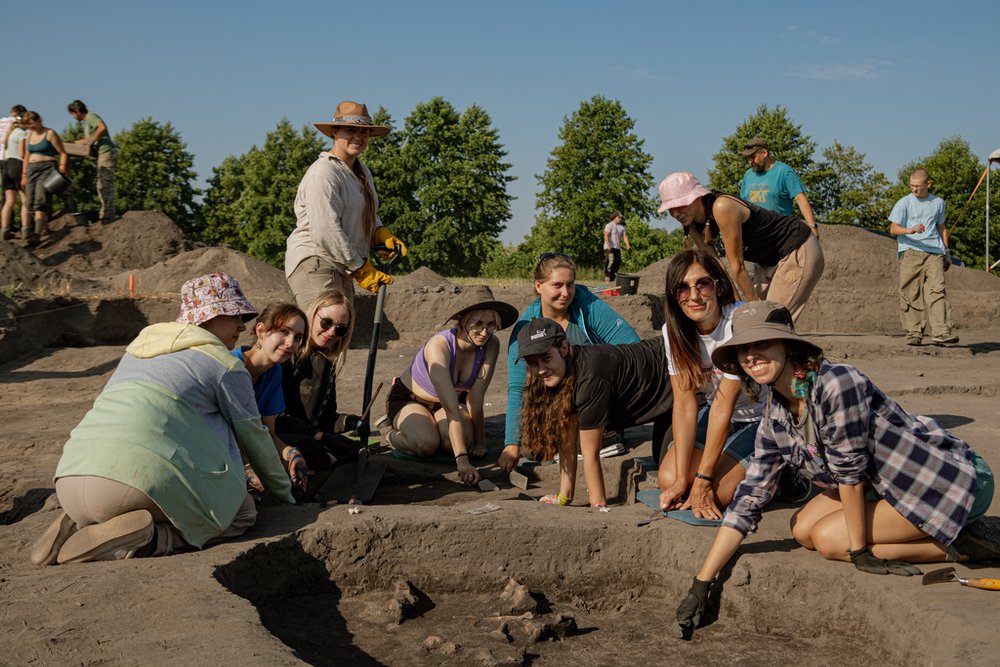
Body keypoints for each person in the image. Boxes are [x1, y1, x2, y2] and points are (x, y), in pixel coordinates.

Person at [673, 301, 998, 639]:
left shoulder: (836, 383)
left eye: (763, 344)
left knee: (830, 540)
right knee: (802, 528)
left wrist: (858, 552)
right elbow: (750, 497)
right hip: (882, 485)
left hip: (943, 480)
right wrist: (702, 582)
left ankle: (962, 543)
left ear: (787, 345)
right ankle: (928, 535)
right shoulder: (777, 414)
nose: (752, 356)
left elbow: (850, 472)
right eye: (743, 350)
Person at [32, 273, 295, 566]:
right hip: (133, 484)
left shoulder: (138, 349)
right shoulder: (225, 365)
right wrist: (284, 494)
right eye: (234, 314)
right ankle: (150, 537)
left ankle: (78, 523)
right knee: (241, 511)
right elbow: (255, 438)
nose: (241, 325)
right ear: (207, 316)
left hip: (71, 475)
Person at [500, 253, 640, 472]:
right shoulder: (526, 327)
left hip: (595, 394)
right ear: (538, 286)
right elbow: (517, 387)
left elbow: (633, 347)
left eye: (570, 285)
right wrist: (511, 444)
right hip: (555, 400)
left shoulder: (587, 305)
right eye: (557, 285)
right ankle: (575, 440)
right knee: (532, 448)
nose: (565, 293)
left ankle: (605, 433)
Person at [517, 317, 673, 508]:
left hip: (681, 380)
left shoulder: (590, 377)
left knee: (671, 475)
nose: (541, 370)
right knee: (661, 458)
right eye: (533, 363)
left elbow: (591, 455)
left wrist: (598, 507)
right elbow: (566, 438)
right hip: (661, 401)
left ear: (564, 349)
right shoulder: (560, 373)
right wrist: (564, 497)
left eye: (546, 358)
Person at [656, 249, 765, 519]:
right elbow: (683, 404)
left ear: (718, 286)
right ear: (674, 295)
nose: (693, 296)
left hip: (761, 416)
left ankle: (784, 469)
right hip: (720, 414)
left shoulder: (737, 323)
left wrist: (702, 480)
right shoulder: (673, 332)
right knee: (669, 481)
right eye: (682, 288)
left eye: (702, 284)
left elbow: (722, 406)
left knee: (718, 493)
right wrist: (683, 479)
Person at [384, 286, 517, 486]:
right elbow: (452, 409)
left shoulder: (491, 344)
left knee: (452, 442)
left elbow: (476, 398)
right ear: (463, 321)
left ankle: (435, 428)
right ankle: (389, 433)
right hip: (412, 400)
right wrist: (462, 461)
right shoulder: (439, 346)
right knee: (425, 444)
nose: (484, 332)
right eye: (477, 324)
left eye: (491, 325)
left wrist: (480, 443)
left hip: (451, 402)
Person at [285, 101, 407, 311]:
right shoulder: (324, 172)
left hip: (342, 263)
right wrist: (361, 268)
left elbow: (367, 213)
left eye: (364, 132)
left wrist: (379, 232)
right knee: (323, 330)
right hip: (317, 259)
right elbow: (325, 231)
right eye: (351, 130)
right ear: (334, 131)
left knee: (341, 333)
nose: (358, 137)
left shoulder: (362, 172)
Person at [658, 171, 824, 323]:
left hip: (796, 247)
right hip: (766, 261)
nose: (675, 213)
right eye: (670, 209)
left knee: (769, 322)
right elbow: (717, 267)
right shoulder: (693, 225)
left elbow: (737, 266)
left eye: (679, 205)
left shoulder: (722, 206)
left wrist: (750, 310)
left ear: (696, 197)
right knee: (756, 322)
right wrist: (734, 307)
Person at [276, 288, 366, 472]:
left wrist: (349, 422)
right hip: (280, 437)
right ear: (312, 315)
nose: (332, 332)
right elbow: (278, 418)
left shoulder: (325, 363)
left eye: (340, 328)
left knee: (356, 452)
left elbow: (324, 419)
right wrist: (319, 437)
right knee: (316, 452)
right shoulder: (288, 356)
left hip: (309, 437)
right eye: (326, 322)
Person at [231, 302, 315, 493]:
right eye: (284, 332)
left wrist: (290, 453)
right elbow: (227, 432)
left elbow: (268, 433)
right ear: (261, 331)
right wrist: (248, 468)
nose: (290, 343)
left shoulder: (274, 373)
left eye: (298, 338)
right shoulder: (231, 366)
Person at [889, 168, 957, 346]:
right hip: (911, 251)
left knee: (937, 290)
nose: (914, 190)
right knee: (911, 292)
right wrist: (910, 230)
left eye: (918, 186)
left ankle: (941, 332)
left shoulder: (938, 203)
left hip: (934, 252)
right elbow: (893, 229)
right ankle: (914, 332)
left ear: (928, 184)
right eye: (912, 186)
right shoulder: (903, 203)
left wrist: (946, 252)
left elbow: (941, 227)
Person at [739, 137, 819, 237]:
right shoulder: (748, 175)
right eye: (748, 158)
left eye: (753, 157)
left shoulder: (784, 172)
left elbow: (800, 199)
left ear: (764, 153)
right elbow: (742, 205)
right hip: (754, 235)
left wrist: (812, 227)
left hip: (780, 234)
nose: (750, 161)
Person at [21, 111, 68, 245]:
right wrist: (23, 175)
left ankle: (36, 235)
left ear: (39, 120)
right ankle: (39, 227)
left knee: (40, 201)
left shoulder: (50, 133)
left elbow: (63, 153)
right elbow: (26, 156)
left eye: (32, 123)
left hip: (46, 168)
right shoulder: (29, 136)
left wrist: (62, 167)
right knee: (29, 202)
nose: (31, 127)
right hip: (31, 169)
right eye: (28, 125)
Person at [67, 100, 117, 225]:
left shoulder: (91, 117)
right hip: (102, 154)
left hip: (107, 152)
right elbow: (86, 140)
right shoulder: (87, 122)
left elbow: (102, 127)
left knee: (105, 184)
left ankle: (108, 215)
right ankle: (105, 213)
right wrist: (72, 144)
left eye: (73, 114)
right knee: (101, 185)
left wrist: (92, 141)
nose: (73, 117)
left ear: (77, 112)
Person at [1, 108, 29, 241]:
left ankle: (4, 229)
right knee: (25, 199)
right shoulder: (22, 134)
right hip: (17, 165)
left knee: (9, 201)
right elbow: (22, 153)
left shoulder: (10, 133)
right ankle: (26, 228)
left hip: (6, 166)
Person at [603, 210, 631, 281]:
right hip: (610, 247)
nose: (620, 219)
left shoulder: (622, 227)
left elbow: (625, 237)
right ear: (614, 217)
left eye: (621, 218)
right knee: (610, 261)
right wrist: (608, 245)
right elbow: (606, 235)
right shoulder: (609, 225)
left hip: (617, 248)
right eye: (619, 217)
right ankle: (607, 276)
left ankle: (612, 278)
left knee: (617, 263)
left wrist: (627, 244)